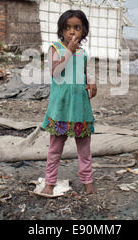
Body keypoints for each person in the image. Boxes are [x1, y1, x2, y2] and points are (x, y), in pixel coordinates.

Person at [40, 10, 97, 195]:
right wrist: (68, 53)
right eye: (68, 28)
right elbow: (55, 72)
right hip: (62, 107)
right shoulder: (55, 48)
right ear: (61, 31)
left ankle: (88, 181)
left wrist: (91, 83)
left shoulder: (83, 52)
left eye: (77, 28)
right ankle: (49, 182)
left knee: (84, 148)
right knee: (56, 147)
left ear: (84, 31)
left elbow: (83, 73)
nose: (72, 32)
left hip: (80, 106)